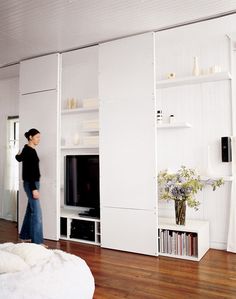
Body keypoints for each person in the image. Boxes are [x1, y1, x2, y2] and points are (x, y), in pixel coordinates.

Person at [15, 128, 44, 245]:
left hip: (32, 183)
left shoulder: (27, 149)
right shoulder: (29, 151)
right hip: (31, 184)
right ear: (30, 137)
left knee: (30, 211)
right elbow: (29, 171)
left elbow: (18, 159)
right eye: (37, 137)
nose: (39, 140)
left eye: (39, 137)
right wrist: (34, 189)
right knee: (37, 213)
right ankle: (37, 243)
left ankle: (24, 236)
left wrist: (17, 154)